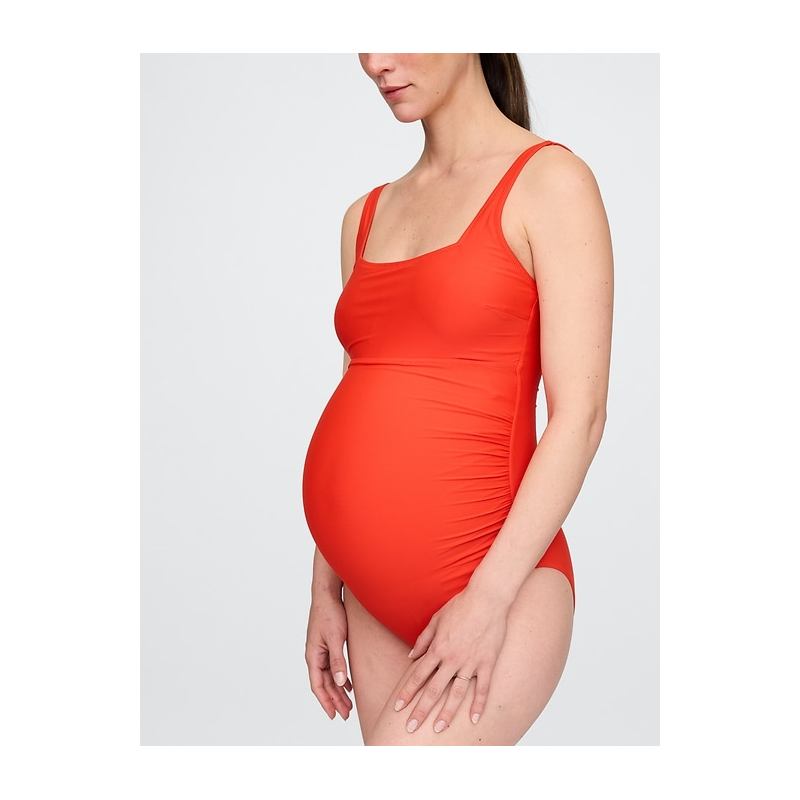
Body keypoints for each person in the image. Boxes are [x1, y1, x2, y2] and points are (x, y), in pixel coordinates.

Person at [302, 53, 613, 746]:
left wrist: (487, 601)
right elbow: (359, 392)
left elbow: (581, 418)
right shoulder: (366, 216)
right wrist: (326, 586)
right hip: (369, 599)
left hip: (497, 581)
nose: (376, 64)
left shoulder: (549, 183)